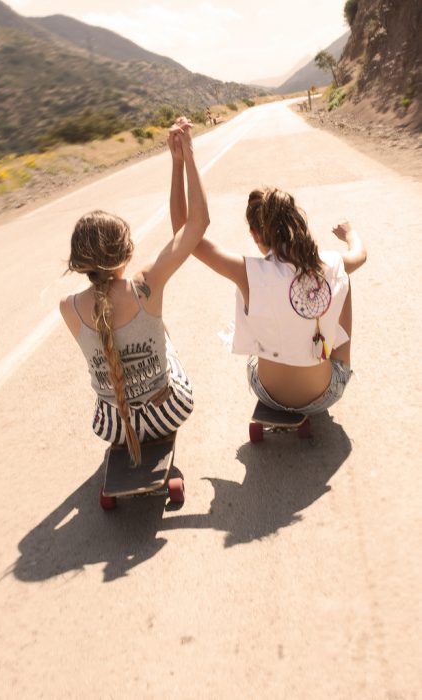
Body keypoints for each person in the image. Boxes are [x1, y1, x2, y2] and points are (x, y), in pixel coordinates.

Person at [168, 124, 366, 415]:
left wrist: (181, 161)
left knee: (261, 320)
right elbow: (360, 254)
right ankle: (322, 361)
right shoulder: (330, 263)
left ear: (255, 233)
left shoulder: (247, 273)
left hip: (268, 393)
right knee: (343, 280)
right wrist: (350, 233)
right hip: (325, 395)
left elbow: (183, 232)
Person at [60, 121, 209, 465]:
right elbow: (197, 224)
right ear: (125, 253)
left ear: (81, 263)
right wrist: (184, 159)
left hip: (111, 424)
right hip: (168, 412)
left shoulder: (67, 308)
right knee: (165, 338)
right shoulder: (145, 287)